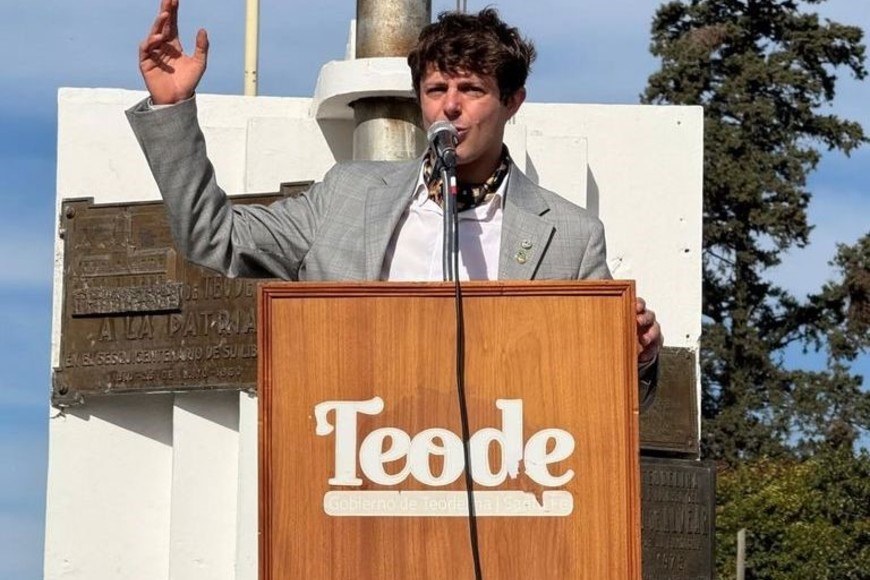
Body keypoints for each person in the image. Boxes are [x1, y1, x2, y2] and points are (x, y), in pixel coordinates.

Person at [127, 0, 663, 395]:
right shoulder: (346, 194)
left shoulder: (569, 236)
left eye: (471, 90)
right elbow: (210, 237)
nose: (450, 107)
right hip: (357, 471)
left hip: (503, 493)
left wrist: (635, 359)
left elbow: (602, 396)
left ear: (512, 101)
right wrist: (173, 108)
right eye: (436, 91)